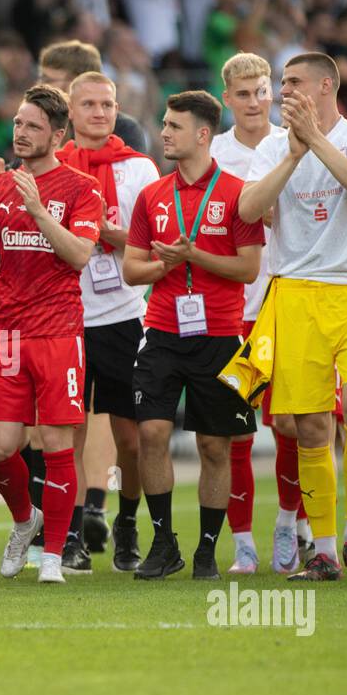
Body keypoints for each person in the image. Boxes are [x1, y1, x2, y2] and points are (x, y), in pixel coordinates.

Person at [236, 52, 347, 582]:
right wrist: (292, 153)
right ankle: (324, 550)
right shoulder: (273, 146)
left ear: (326, 86)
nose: (284, 90)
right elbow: (248, 209)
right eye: (282, 82)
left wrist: (317, 143)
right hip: (296, 294)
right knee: (308, 427)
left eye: (295, 82)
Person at [0, 84, 101, 584]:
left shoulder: (82, 188)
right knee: (0, 447)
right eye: (18, 123)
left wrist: (39, 210)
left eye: (33, 126)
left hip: (59, 330)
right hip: (6, 333)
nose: (21, 132)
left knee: (59, 443)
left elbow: (80, 255)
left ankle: (55, 558)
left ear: (58, 135)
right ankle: (25, 520)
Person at [124, 91, 264, 580]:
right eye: (164, 123)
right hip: (161, 330)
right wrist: (163, 264)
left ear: (202, 134)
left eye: (174, 126)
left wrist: (193, 257)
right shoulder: (152, 195)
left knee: (215, 446)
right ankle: (164, 543)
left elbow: (248, 270)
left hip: (222, 336)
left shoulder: (238, 193)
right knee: (151, 433)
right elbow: (130, 270)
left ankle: (207, 550)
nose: (164, 132)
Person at [55, 71, 158, 574]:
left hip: (125, 315)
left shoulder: (139, 169)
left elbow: (152, 245)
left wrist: (103, 233)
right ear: (69, 113)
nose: (100, 113)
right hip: (65, 314)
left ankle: (127, 523)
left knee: (132, 437)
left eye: (108, 104)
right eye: (89, 104)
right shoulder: (51, 168)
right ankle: (72, 532)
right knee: (69, 430)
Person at [208, 51, 307, 575]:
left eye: (261, 91)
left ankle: (288, 525)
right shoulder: (216, 154)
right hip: (236, 312)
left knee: (292, 424)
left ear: (274, 93)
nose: (253, 101)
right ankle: (243, 543)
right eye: (243, 94)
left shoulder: (291, 143)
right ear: (227, 99)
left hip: (288, 302)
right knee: (237, 433)